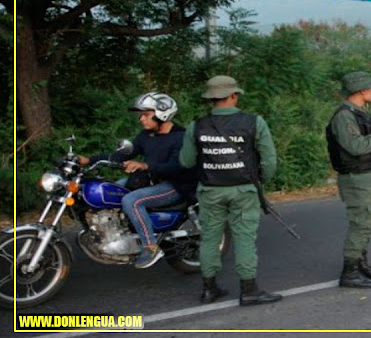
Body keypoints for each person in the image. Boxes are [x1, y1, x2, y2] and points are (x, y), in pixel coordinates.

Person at [179, 75, 282, 306]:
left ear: (211, 99)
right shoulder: (254, 122)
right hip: (244, 190)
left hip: (210, 190)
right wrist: (260, 180)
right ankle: (249, 290)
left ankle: (209, 288)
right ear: (234, 95)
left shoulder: (196, 126)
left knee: (209, 239)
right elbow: (270, 161)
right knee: (245, 238)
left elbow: (186, 161)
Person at [78, 92, 196, 269]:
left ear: (162, 113)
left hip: (176, 184)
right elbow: (122, 155)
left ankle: (151, 247)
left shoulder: (181, 138)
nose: (141, 119)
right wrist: (89, 160)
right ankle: (119, 232)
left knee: (131, 200)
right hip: (150, 180)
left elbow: (177, 166)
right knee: (112, 189)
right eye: (141, 115)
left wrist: (145, 166)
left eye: (146, 114)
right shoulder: (146, 136)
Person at [326, 71, 371, 289]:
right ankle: (349, 273)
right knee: (360, 225)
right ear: (361, 91)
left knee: (366, 225)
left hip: (367, 176)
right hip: (356, 180)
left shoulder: (359, 113)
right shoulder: (344, 116)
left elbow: (364, 151)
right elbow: (355, 146)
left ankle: (361, 265)